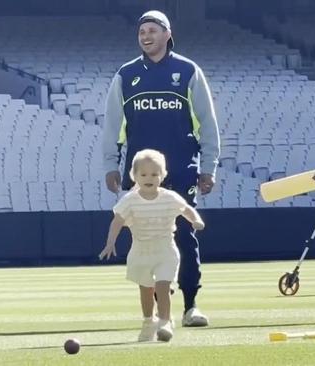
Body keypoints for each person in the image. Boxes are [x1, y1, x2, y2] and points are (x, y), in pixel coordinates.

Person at [101, 10, 220, 327]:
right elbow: (112, 126)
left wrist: (209, 166)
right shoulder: (125, 75)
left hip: (182, 166)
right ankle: (156, 313)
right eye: (142, 31)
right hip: (140, 173)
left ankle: (191, 305)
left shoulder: (188, 71)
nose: (146, 35)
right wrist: (110, 165)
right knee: (145, 239)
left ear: (168, 34)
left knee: (185, 233)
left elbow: (208, 123)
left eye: (153, 30)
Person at [99, 149, 205, 342]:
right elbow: (117, 220)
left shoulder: (169, 197)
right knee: (146, 289)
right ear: (134, 176)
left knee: (162, 285)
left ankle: (164, 321)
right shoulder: (130, 200)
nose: (150, 178)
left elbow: (187, 209)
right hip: (140, 250)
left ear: (162, 175)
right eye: (144, 174)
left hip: (165, 249)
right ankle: (149, 321)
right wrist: (110, 242)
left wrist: (195, 220)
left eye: (155, 174)